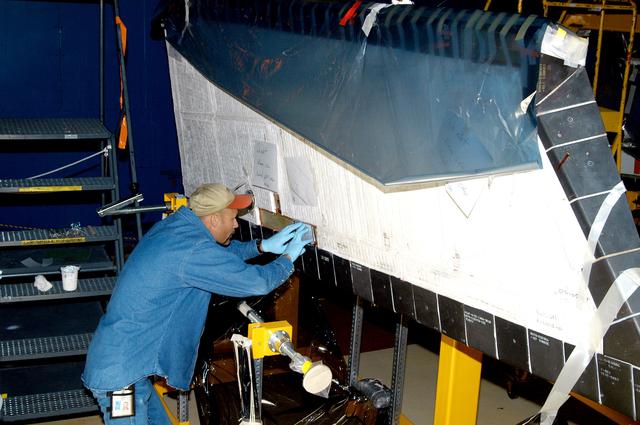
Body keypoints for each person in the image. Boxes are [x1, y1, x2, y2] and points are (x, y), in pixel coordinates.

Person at [82, 183, 312, 425]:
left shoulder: (178, 228)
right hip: (120, 379)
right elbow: (257, 282)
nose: (236, 225)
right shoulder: (191, 251)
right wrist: (288, 259)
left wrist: (261, 246)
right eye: (233, 219)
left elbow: (214, 257)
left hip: (131, 366)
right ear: (213, 220)